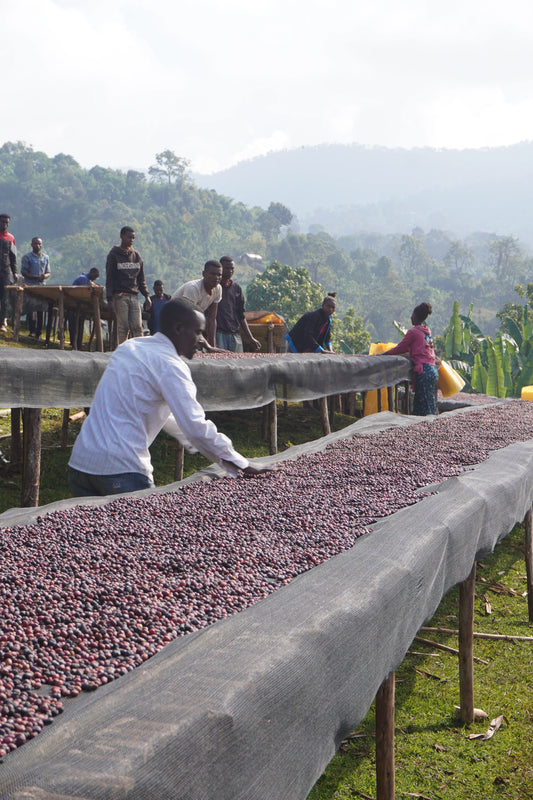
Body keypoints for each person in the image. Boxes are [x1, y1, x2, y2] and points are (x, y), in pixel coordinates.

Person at [68, 297, 269, 496]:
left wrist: (195, 442)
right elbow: (195, 425)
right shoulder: (171, 365)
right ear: (179, 329)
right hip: (121, 470)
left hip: (81, 465)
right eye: (198, 332)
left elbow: (169, 417)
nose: (202, 340)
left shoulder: (130, 347)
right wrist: (240, 462)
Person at [381, 301, 439, 416]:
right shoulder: (426, 331)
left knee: (422, 405)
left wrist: (384, 354)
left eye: (412, 315)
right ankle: (429, 424)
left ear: (416, 316)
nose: (411, 317)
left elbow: (400, 348)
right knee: (429, 402)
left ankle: (424, 425)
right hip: (432, 370)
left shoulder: (413, 332)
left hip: (424, 371)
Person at [105, 226, 151, 345]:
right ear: (122, 236)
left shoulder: (136, 256)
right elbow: (110, 278)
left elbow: (141, 278)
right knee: (123, 327)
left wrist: (146, 296)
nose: (131, 240)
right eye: (129, 237)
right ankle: (123, 351)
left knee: (137, 326)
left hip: (134, 296)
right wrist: (109, 299)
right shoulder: (114, 255)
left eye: (133, 238)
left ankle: (140, 352)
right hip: (120, 296)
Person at [172, 260, 222, 347]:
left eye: (219, 275)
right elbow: (190, 319)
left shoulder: (218, 289)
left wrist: (212, 346)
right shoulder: (193, 288)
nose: (216, 277)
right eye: (212, 274)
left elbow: (212, 319)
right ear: (204, 274)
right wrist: (208, 346)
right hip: (173, 320)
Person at [216, 256, 261, 352]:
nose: (230, 271)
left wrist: (250, 337)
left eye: (232, 268)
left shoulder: (236, 288)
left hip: (234, 333)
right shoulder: (215, 287)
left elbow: (241, 315)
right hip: (219, 333)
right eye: (227, 268)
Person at [20, 237, 51, 339]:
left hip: (42, 287)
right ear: (31, 245)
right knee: (31, 309)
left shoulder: (45, 257)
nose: (38, 245)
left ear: (41, 245)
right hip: (30, 286)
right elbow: (23, 272)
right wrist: (35, 277)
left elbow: (48, 272)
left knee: (41, 309)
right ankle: (32, 331)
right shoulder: (27, 257)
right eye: (35, 243)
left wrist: (43, 276)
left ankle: (39, 332)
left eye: (39, 244)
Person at [68, 267, 100, 349]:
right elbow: (84, 292)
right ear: (91, 273)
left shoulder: (87, 280)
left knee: (78, 325)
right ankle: (74, 343)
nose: (95, 279)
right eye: (95, 277)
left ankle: (77, 343)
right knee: (74, 326)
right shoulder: (83, 279)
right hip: (74, 306)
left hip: (78, 307)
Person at [0, 213, 17, 333]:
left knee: (4, 298)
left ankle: (1, 323)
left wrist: (15, 272)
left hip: (5, 271)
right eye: (2, 222)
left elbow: (13, 257)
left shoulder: (11, 238)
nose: (4, 224)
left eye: (7, 222)